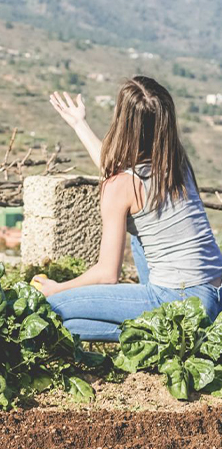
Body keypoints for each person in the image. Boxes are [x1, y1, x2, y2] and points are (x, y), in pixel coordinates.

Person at [38, 80, 222, 341]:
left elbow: (106, 275)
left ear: (122, 122)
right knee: (138, 236)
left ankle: (162, 338)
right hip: (216, 292)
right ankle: (172, 332)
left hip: (180, 302)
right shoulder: (177, 162)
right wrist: (79, 123)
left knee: (51, 312)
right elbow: (113, 170)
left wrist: (57, 289)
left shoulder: (119, 187)